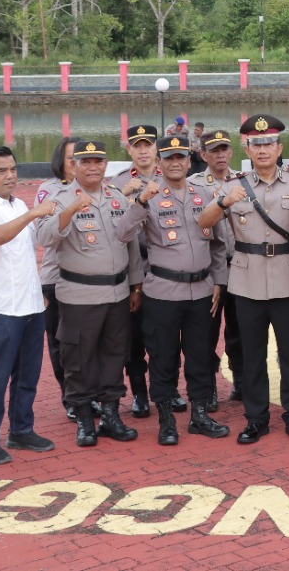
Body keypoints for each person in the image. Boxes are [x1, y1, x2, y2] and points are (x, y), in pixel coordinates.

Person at [198, 115, 289, 446]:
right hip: (247, 277)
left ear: (280, 147)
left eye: (269, 143)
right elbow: (204, 223)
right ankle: (256, 418)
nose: (263, 149)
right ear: (247, 148)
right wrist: (224, 200)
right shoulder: (233, 186)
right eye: (256, 144)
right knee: (252, 353)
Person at [117, 135, 231, 446]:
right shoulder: (147, 195)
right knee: (163, 358)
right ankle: (167, 419)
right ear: (159, 162)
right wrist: (140, 201)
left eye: (181, 156)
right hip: (163, 292)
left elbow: (219, 243)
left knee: (200, 356)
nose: (175, 162)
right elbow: (123, 233)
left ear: (189, 159)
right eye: (168, 157)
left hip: (201, 290)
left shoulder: (204, 193)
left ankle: (199, 415)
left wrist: (219, 281)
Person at [35, 140, 141, 447]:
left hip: (117, 292)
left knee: (114, 355)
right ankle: (83, 419)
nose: (93, 167)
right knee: (78, 359)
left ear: (105, 164)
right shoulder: (60, 197)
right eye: (85, 162)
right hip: (79, 294)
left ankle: (110, 416)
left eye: (98, 161)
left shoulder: (117, 197)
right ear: (74, 166)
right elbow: (44, 236)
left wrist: (135, 285)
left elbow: (130, 244)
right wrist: (68, 211)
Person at [0, 145, 58, 465]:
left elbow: (31, 247)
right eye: (2, 171)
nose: (10, 176)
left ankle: (21, 429)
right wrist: (33, 213)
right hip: (1, 307)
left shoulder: (17, 203)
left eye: (13, 169)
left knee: (27, 374)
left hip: (30, 304)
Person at [112, 124, 168, 417]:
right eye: (137, 145)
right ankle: (139, 395)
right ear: (129, 149)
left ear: (156, 147)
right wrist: (124, 196)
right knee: (133, 339)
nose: (143, 150)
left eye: (148, 144)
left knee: (163, 337)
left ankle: (166, 393)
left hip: (166, 268)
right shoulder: (119, 183)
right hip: (134, 266)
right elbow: (117, 230)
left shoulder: (170, 176)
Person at [189, 128, 242, 406]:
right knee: (206, 331)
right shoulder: (194, 185)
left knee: (240, 328)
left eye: (224, 149)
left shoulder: (244, 181)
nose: (220, 155)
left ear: (231, 151)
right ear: (203, 155)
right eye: (213, 151)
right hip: (209, 271)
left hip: (242, 267)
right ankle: (207, 386)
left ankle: (241, 381)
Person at [35, 138, 82, 417]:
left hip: (90, 279)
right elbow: (46, 236)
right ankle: (71, 398)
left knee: (89, 341)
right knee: (60, 342)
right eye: (72, 158)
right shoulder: (48, 191)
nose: (78, 164)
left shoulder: (101, 189)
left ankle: (92, 394)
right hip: (56, 278)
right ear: (60, 162)